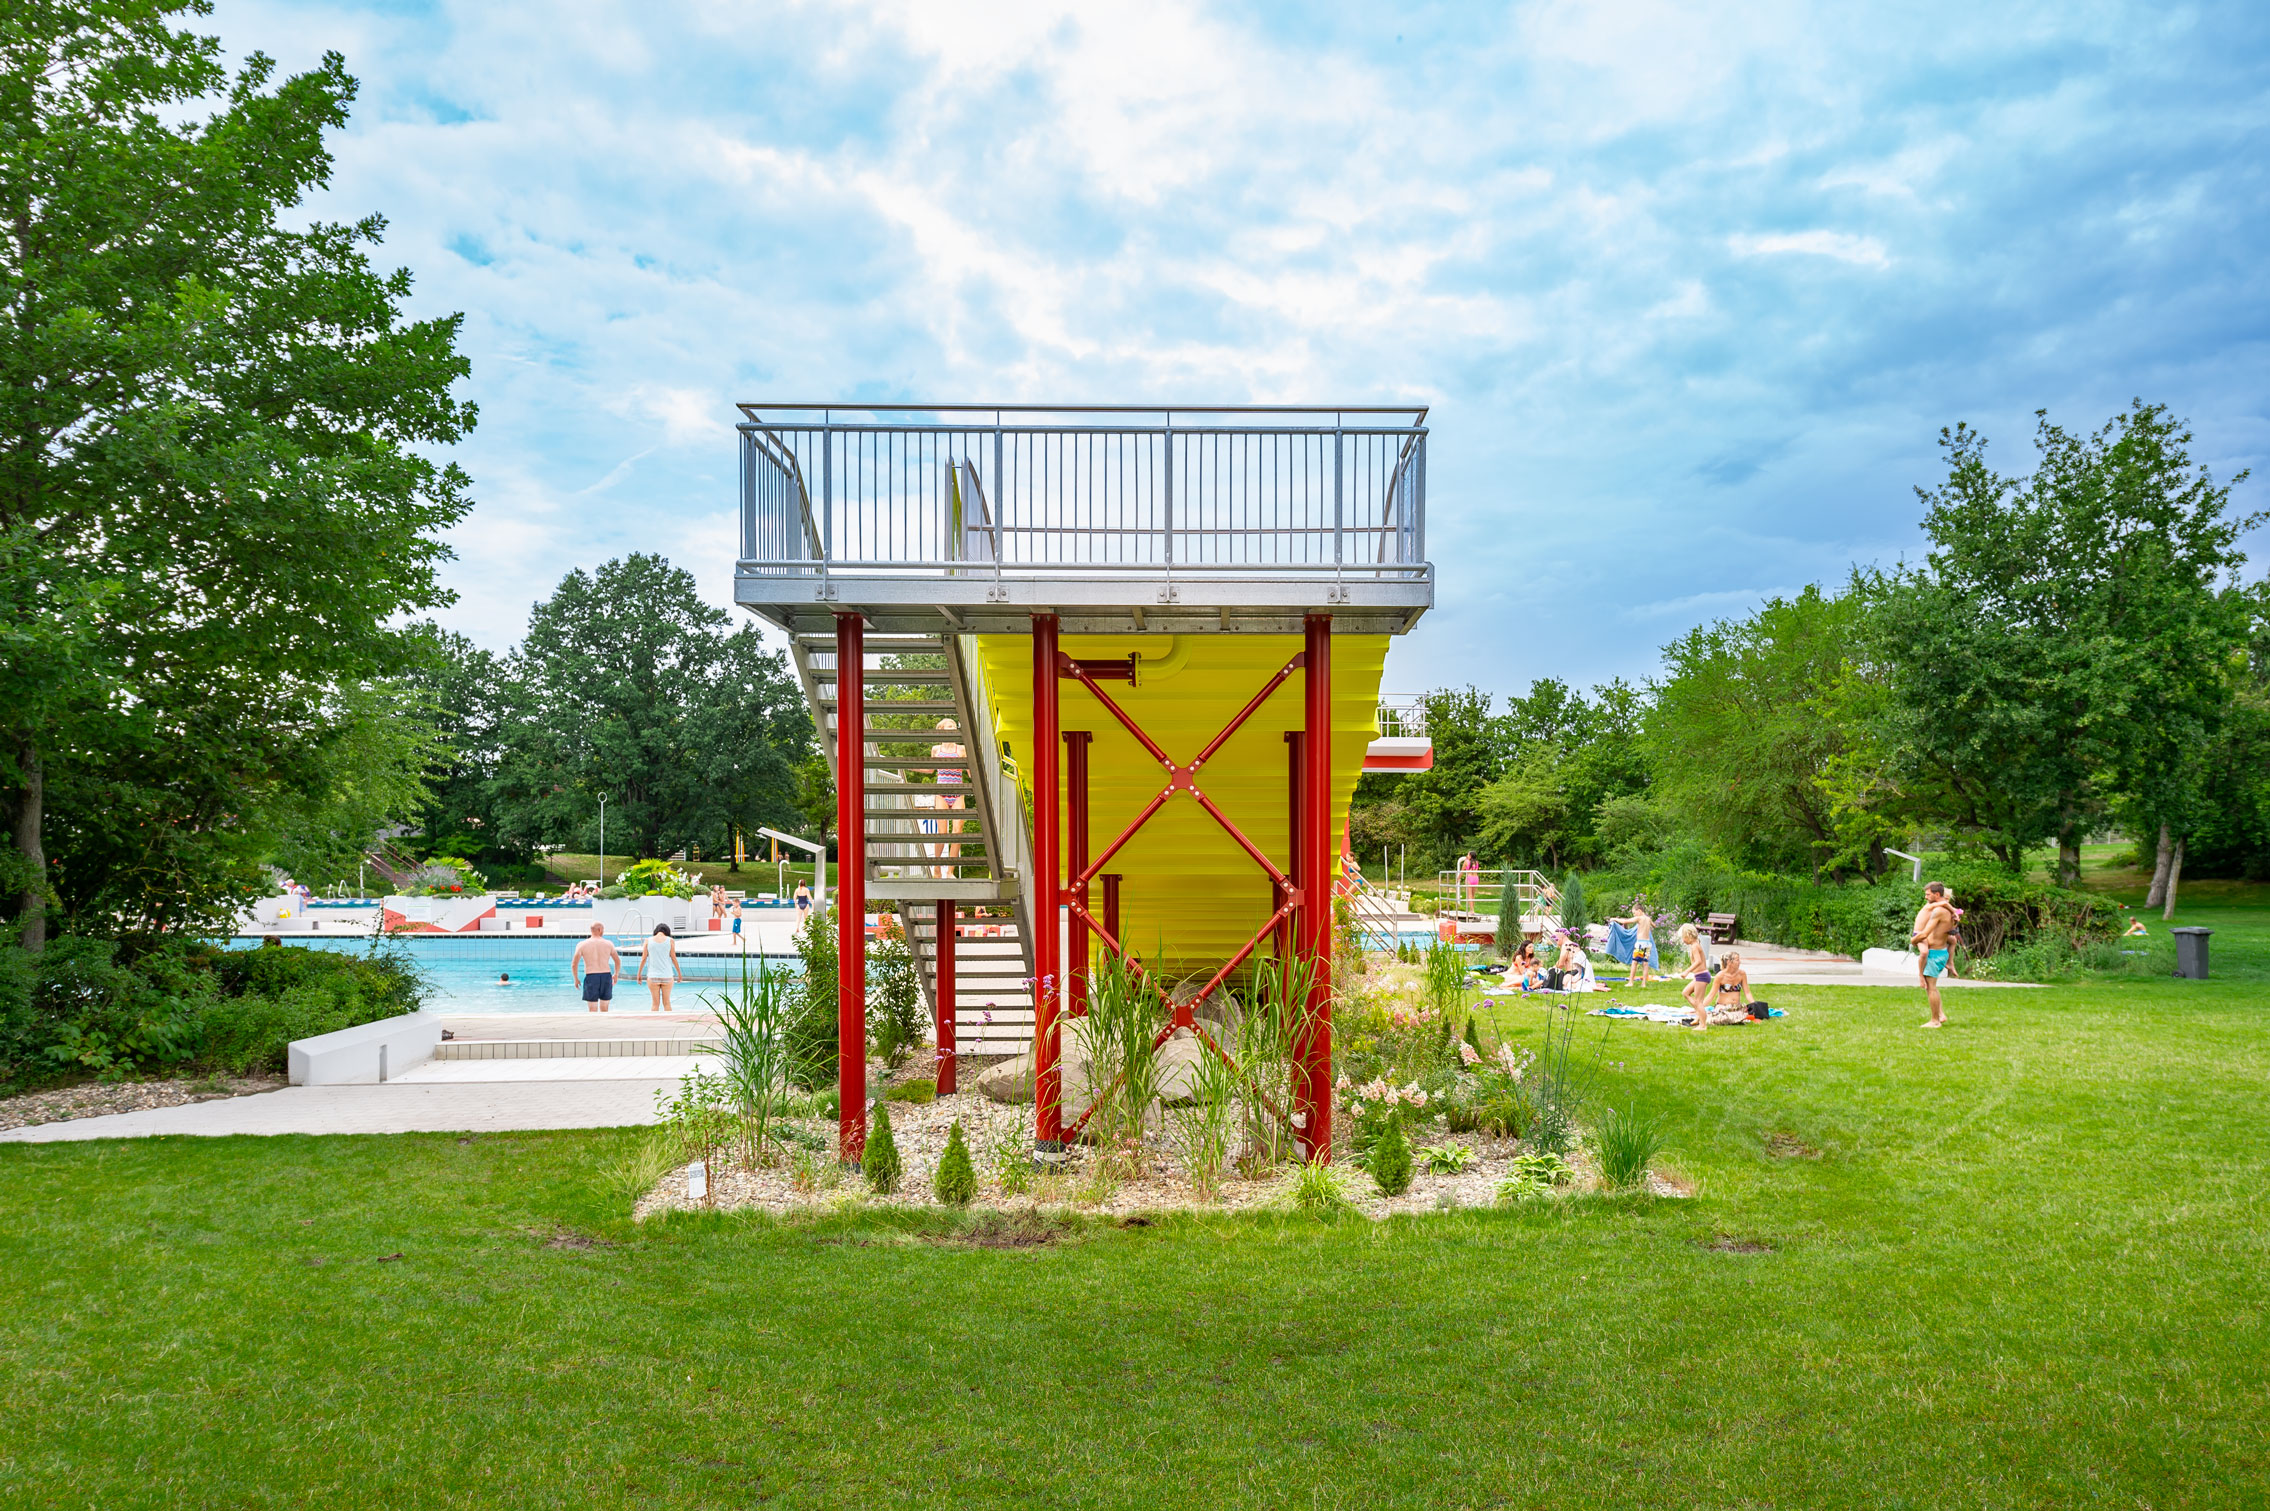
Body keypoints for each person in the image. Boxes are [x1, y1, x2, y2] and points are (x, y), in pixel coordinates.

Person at [1912, 881, 1956, 1028]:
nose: (1925, 897)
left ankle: (1935, 1021)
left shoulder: (1938, 911)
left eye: (1928, 894)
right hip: (1941, 951)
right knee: (1931, 987)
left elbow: (1925, 933)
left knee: (1931, 987)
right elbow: (1952, 935)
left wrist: (1914, 940)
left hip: (1935, 953)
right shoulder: (1948, 912)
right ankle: (1940, 1015)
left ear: (1937, 895)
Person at [572, 923, 621, 1013]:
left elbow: (574, 964)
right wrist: (616, 974)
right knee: (605, 1008)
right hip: (606, 976)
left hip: (591, 976)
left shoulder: (582, 944)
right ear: (600, 930)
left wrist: (576, 978)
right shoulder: (608, 944)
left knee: (592, 1009)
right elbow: (617, 961)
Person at [1676, 922, 1715, 1028]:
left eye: (1683, 938)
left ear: (1688, 936)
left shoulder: (1695, 946)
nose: (1683, 941)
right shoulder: (1695, 944)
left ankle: (1702, 1025)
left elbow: (1698, 961)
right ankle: (1699, 1012)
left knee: (1699, 1002)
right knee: (1686, 993)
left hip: (1701, 976)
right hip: (1699, 976)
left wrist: (1686, 971)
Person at [1612, 896, 1657, 987]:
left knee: (1634, 962)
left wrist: (1615, 919)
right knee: (1645, 963)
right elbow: (1655, 925)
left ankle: (1631, 982)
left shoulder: (1639, 918)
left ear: (1639, 911)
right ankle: (1643, 983)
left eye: (1634, 913)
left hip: (1640, 943)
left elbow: (1626, 921)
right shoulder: (1648, 919)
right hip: (1648, 944)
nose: (1634, 915)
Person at [638, 923, 681, 1012]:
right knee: (667, 1003)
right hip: (667, 976)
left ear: (656, 931)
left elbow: (643, 959)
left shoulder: (648, 940)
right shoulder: (670, 940)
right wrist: (679, 974)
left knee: (655, 1004)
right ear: (667, 932)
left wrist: (639, 974)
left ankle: (653, 1024)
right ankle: (669, 1024)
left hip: (653, 977)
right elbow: (673, 958)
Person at [1708, 952, 1752, 1021]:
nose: (1740, 962)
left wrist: (1755, 1005)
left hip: (1736, 1007)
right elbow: (1711, 995)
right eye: (1737, 960)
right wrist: (1700, 1008)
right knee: (1724, 1019)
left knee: (1741, 1017)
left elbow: (1747, 993)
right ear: (1729, 962)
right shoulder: (1720, 976)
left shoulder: (1742, 974)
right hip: (1723, 1006)